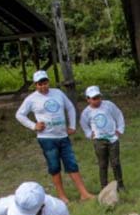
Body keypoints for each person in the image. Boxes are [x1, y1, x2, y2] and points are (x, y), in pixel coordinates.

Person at [16, 70, 93, 203]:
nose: (43, 86)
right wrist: (34, 126)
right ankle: (62, 196)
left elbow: (70, 107)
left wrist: (72, 126)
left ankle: (84, 193)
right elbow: (19, 115)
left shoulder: (58, 93)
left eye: (45, 83)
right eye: (40, 84)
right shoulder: (31, 99)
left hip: (63, 136)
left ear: (48, 82)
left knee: (72, 164)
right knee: (54, 166)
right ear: (35, 85)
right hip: (47, 138)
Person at [79, 85, 125, 190]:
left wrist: (119, 129)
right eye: (94, 98)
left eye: (98, 97)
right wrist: (89, 134)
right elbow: (83, 123)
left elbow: (118, 115)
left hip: (112, 138)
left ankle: (120, 184)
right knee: (103, 164)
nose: (97, 100)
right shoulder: (87, 112)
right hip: (99, 140)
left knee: (115, 162)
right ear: (88, 99)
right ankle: (104, 185)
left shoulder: (108, 105)